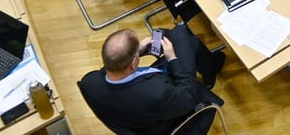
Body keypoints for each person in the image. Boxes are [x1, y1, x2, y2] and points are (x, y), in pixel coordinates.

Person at [79, 26, 224, 135]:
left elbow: (110, 67)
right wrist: (172, 58)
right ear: (133, 63)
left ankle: (211, 67)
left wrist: (140, 50)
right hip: (168, 116)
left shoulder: (89, 83)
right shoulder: (156, 92)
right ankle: (211, 68)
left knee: (179, 38)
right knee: (180, 33)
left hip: (138, 115)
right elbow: (187, 98)